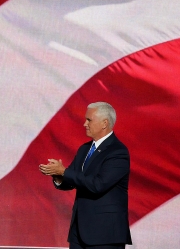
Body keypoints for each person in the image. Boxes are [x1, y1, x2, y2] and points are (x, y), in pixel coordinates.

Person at [39, 102, 132, 249]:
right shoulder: (84, 149)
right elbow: (72, 180)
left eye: (89, 120)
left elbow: (98, 185)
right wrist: (58, 176)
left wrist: (64, 171)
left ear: (104, 123)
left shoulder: (117, 152)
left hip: (105, 235)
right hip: (79, 232)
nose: (84, 124)